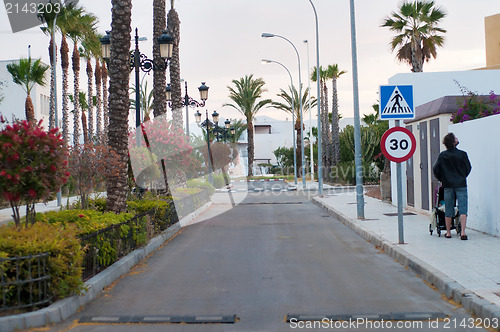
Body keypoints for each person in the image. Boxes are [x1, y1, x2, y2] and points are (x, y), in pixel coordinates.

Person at [432, 133, 472, 240]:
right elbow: (468, 168)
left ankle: (448, 232)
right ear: (454, 142)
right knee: (463, 208)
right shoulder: (463, 154)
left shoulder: (442, 155)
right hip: (461, 184)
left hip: (448, 185)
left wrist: (442, 179)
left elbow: (435, 169)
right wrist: (462, 176)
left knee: (448, 207)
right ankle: (463, 232)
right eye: (455, 138)